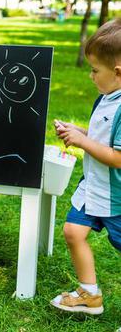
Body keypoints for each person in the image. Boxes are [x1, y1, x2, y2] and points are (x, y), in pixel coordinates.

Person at [50, 18, 121, 315]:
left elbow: (118, 157)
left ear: (118, 73)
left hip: (116, 197)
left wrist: (81, 141)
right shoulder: (106, 98)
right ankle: (89, 293)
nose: (91, 76)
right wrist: (78, 130)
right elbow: (103, 138)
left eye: (95, 70)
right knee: (73, 231)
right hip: (93, 188)